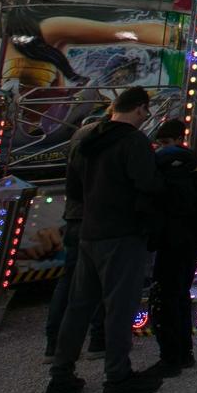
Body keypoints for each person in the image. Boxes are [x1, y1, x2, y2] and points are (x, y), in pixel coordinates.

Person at [43, 87, 165, 393]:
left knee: (79, 305)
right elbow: (149, 185)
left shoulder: (87, 138)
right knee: (119, 306)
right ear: (139, 109)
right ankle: (117, 375)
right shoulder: (132, 141)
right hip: (122, 232)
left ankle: (61, 373)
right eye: (145, 112)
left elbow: (75, 184)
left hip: (88, 230)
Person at [149, 118, 197, 375]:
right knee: (180, 295)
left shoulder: (171, 182)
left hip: (171, 244)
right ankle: (183, 351)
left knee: (166, 298)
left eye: (165, 144)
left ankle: (171, 355)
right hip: (191, 244)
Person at [42, 100, 110, 359]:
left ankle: (56, 344)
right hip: (99, 219)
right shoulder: (108, 139)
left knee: (71, 281)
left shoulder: (78, 140)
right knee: (103, 281)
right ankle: (98, 339)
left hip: (75, 217)